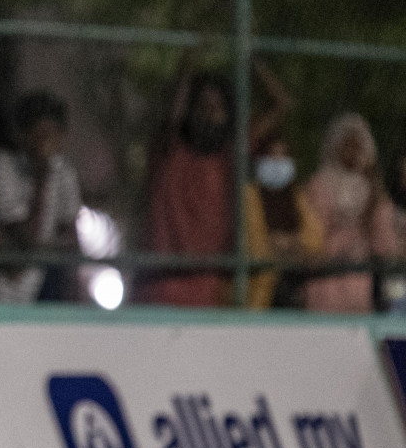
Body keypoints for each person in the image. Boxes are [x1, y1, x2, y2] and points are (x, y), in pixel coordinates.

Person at [140, 55, 289, 307]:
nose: (209, 114)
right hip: (162, 285)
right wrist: (188, 62)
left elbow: (282, 105)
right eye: (202, 106)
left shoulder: (229, 156)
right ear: (190, 110)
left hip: (210, 288)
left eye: (217, 108)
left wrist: (252, 61)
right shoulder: (170, 152)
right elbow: (171, 115)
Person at [0, 91, 82, 303]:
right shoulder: (2, 167)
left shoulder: (64, 171)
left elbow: (70, 236)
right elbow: (24, 238)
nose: (46, 144)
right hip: (1, 288)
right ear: (23, 135)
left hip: (44, 284)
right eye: (39, 135)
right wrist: (41, 176)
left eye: (52, 135)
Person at [303, 113, 395, 313]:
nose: (352, 152)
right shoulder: (320, 184)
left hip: (359, 285)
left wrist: (377, 201)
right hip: (326, 281)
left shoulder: (372, 189)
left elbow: (384, 246)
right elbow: (314, 238)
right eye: (347, 145)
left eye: (358, 146)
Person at [245, 134, 322, 310]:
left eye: (283, 157)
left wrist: (288, 243)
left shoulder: (295, 196)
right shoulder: (249, 195)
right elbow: (256, 247)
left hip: (292, 296)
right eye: (272, 157)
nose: (278, 163)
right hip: (256, 300)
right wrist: (295, 248)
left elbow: (316, 241)